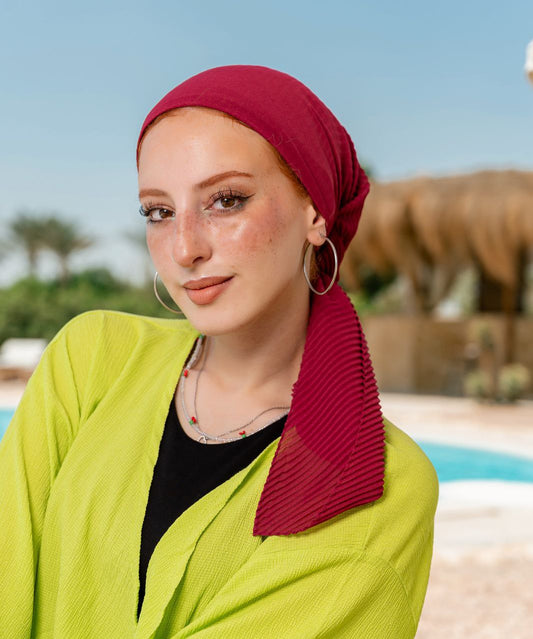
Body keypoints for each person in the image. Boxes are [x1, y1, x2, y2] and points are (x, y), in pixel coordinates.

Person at [0, 65, 438, 638]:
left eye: (226, 201)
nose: (184, 249)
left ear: (314, 211)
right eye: (159, 212)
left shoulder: (381, 484)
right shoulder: (92, 358)